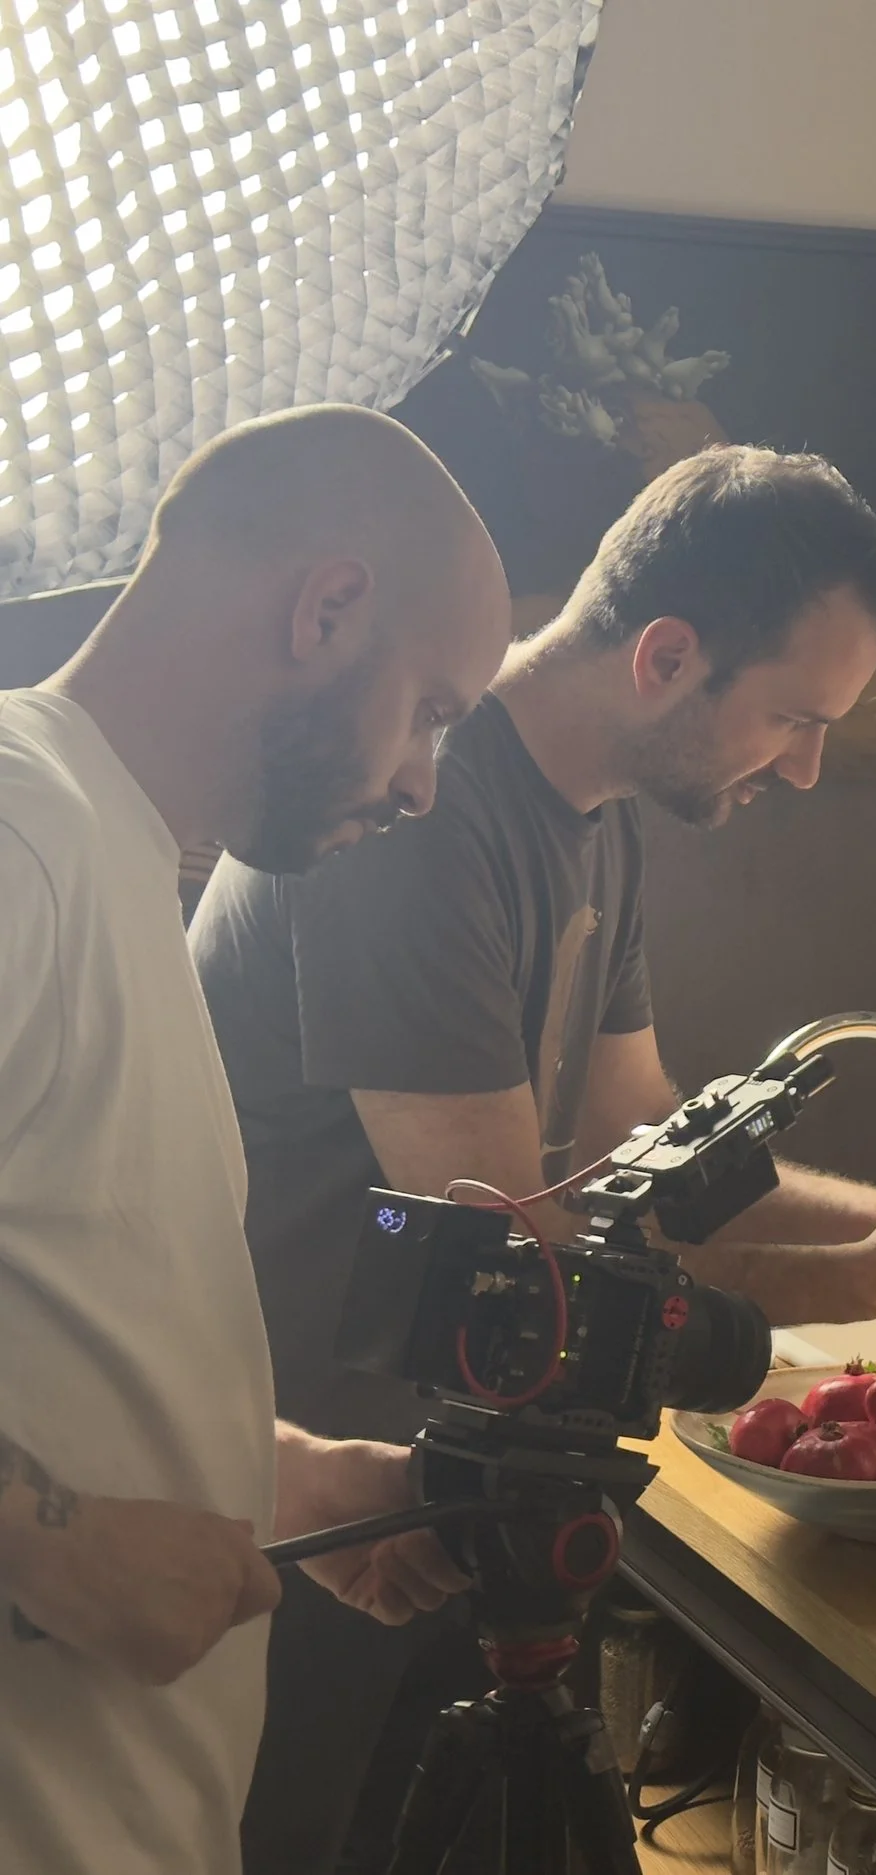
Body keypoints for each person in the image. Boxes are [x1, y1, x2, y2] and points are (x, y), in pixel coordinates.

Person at [190, 443, 876, 1871]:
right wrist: (865, 1283)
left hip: (449, 1487)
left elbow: (635, 1136)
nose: (802, 766)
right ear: (667, 656)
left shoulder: (594, 826)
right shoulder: (422, 814)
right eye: (793, 718)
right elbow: (516, 1246)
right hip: (298, 1498)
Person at [0, 404, 513, 1875]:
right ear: (329, 608)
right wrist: (50, 1536)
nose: (423, 782)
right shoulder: (20, 828)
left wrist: (269, 1473)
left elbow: (61, 1329)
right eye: (428, 709)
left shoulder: (117, 860)